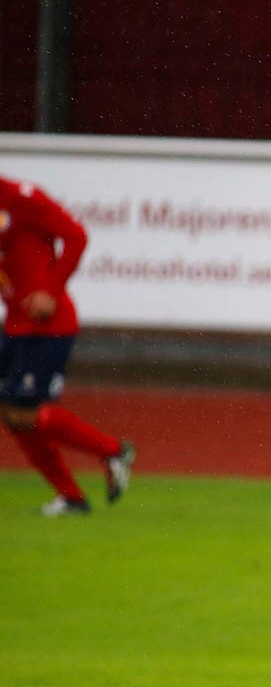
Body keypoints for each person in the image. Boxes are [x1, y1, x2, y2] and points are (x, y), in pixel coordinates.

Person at [0, 176, 134, 516]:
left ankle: (113, 450)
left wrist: (50, 289)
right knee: (13, 414)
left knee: (25, 412)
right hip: (15, 323)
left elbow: (76, 235)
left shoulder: (21, 198)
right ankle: (71, 497)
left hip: (47, 325)